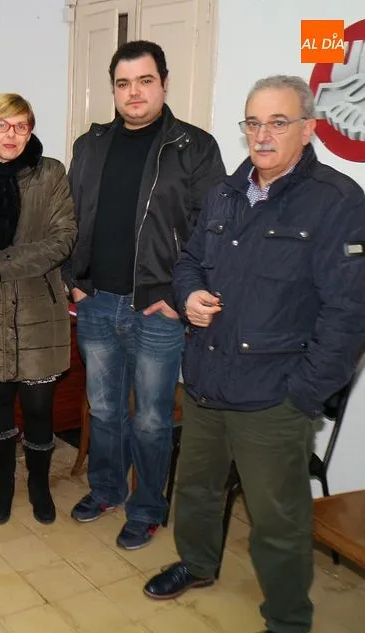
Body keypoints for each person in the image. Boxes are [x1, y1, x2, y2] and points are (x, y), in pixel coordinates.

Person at [144, 75, 365, 633]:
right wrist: (189, 295)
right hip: (207, 379)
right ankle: (197, 564)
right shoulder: (226, 191)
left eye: (278, 122)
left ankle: (287, 617)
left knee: (277, 520)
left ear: (308, 129)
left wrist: (303, 395)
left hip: (274, 398)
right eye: (253, 122)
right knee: (196, 488)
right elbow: (190, 261)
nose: (262, 135)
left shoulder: (336, 201)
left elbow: (349, 315)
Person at [61, 40, 225, 549]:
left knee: (152, 419)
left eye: (145, 81)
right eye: (124, 83)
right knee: (103, 408)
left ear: (164, 83)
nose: (134, 92)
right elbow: (69, 216)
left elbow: (214, 229)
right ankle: (106, 489)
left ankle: (148, 507)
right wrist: (73, 278)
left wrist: (178, 296)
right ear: (113, 89)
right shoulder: (90, 145)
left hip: (157, 308)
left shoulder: (194, 147)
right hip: (96, 301)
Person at [0, 93, 76, 526]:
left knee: (39, 408)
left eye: (21, 126)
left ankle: (39, 485)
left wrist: (1, 263)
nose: (11, 135)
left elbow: (63, 240)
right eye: (2, 126)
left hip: (39, 307)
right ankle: (4, 483)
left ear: (31, 130)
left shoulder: (51, 173)